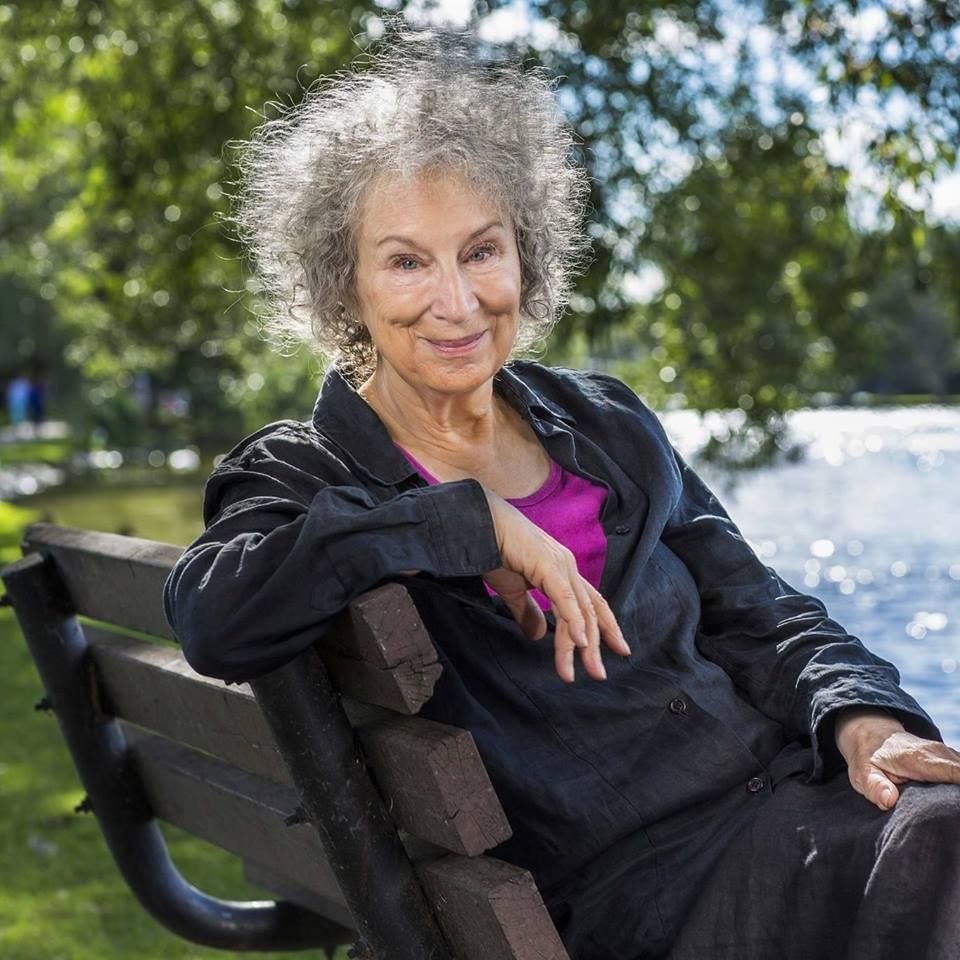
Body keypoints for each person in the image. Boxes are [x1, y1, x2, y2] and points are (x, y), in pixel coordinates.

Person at [163, 26, 960, 960]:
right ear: (346, 286)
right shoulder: (308, 471)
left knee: (939, 820)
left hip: (795, 805)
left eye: (482, 252)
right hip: (650, 892)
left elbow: (761, 611)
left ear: (526, 258)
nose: (457, 302)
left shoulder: (606, 422)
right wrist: (465, 521)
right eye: (407, 261)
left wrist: (861, 717)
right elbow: (213, 615)